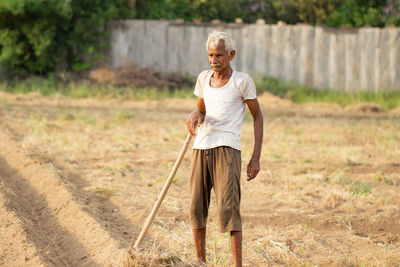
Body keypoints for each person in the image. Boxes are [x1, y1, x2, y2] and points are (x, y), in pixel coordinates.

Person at [185, 30, 263, 267]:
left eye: (218, 55)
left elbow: (257, 117)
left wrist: (255, 158)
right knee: (196, 207)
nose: (213, 60)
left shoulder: (242, 82)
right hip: (201, 148)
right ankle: (200, 262)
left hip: (227, 149)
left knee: (228, 210)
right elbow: (202, 109)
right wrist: (195, 114)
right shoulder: (203, 78)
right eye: (210, 55)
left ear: (231, 55)